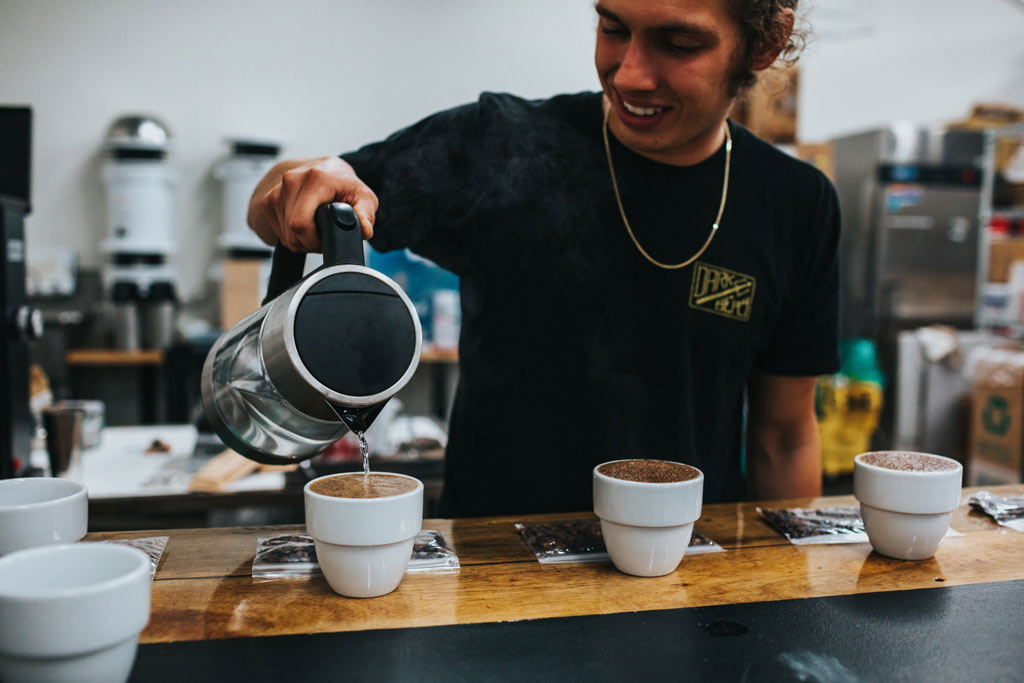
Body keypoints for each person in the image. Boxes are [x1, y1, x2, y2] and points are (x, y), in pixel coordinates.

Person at [248, 0, 840, 517]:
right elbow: (273, 202)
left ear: (764, 44)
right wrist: (308, 184)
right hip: (496, 574)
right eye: (612, 29)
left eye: (677, 43)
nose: (630, 74)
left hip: (692, 583)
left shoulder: (795, 202)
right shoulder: (501, 143)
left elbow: (783, 440)